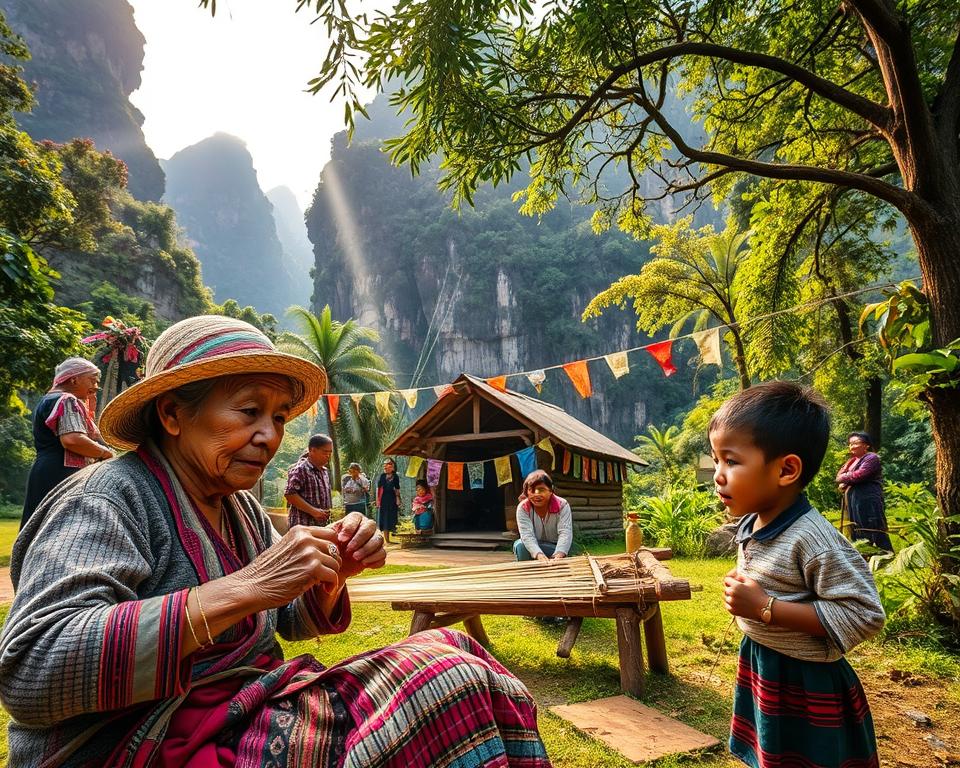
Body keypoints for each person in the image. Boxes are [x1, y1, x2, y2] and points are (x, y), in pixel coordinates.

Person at [0, 316, 550, 768]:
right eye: (248, 411)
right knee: (446, 684)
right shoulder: (105, 500)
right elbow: (30, 670)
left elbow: (286, 618)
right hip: (140, 742)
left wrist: (330, 572)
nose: (269, 436)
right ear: (172, 414)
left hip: (243, 712)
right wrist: (251, 584)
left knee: (460, 655)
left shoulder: (236, 505)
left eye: (279, 417)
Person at [710, 381, 885, 768]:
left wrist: (766, 607)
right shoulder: (754, 521)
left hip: (805, 682)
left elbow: (864, 614)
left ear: (787, 469)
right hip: (763, 663)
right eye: (717, 460)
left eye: (731, 461)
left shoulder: (814, 540)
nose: (718, 475)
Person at [21, 357, 114, 534]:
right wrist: (106, 454)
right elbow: (73, 439)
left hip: (46, 469)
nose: (95, 387)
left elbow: (92, 435)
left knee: (39, 527)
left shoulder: (48, 399)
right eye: (92, 380)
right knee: (61, 529)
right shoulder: (67, 399)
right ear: (74, 379)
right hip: (61, 472)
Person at [836, 431, 893, 551]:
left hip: (868, 500)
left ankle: (887, 556)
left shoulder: (871, 458)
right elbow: (838, 476)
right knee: (856, 529)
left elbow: (859, 475)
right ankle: (864, 557)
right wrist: (844, 479)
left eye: (855, 443)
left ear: (866, 445)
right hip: (853, 501)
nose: (852, 446)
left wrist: (845, 479)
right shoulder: (851, 461)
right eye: (850, 444)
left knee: (873, 528)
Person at [513, 470, 575, 562]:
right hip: (534, 547)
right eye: (531, 490)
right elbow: (527, 535)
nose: (536, 494)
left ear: (550, 491)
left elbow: (565, 533)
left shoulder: (562, 505)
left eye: (541, 490)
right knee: (520, 546)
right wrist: (539, 555)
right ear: (527, 492)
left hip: (556, 547)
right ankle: (527, 573)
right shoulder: (523, 508)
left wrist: (558, 555)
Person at [285, 433, 334, 528]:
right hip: (303, 527)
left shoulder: (324, 472)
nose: (328, 456)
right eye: (325, 452)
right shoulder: (301, 469)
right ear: (312, 450)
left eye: (330, 453)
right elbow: (290, 494)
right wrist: (313, 511)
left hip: (321, 527)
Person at [376, 457, 401, 543]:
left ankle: (389, 538)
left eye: (388, 465)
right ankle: (386, 539)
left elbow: (397, 489)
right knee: (384, 518)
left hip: (392, 499)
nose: (386, 467)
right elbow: (379, 489)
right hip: (383, 499)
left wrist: (398, 499)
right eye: (385, 466)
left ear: (392, 467)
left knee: (391, 517)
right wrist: (378, 501)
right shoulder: (382, 476)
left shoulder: (396, 477)